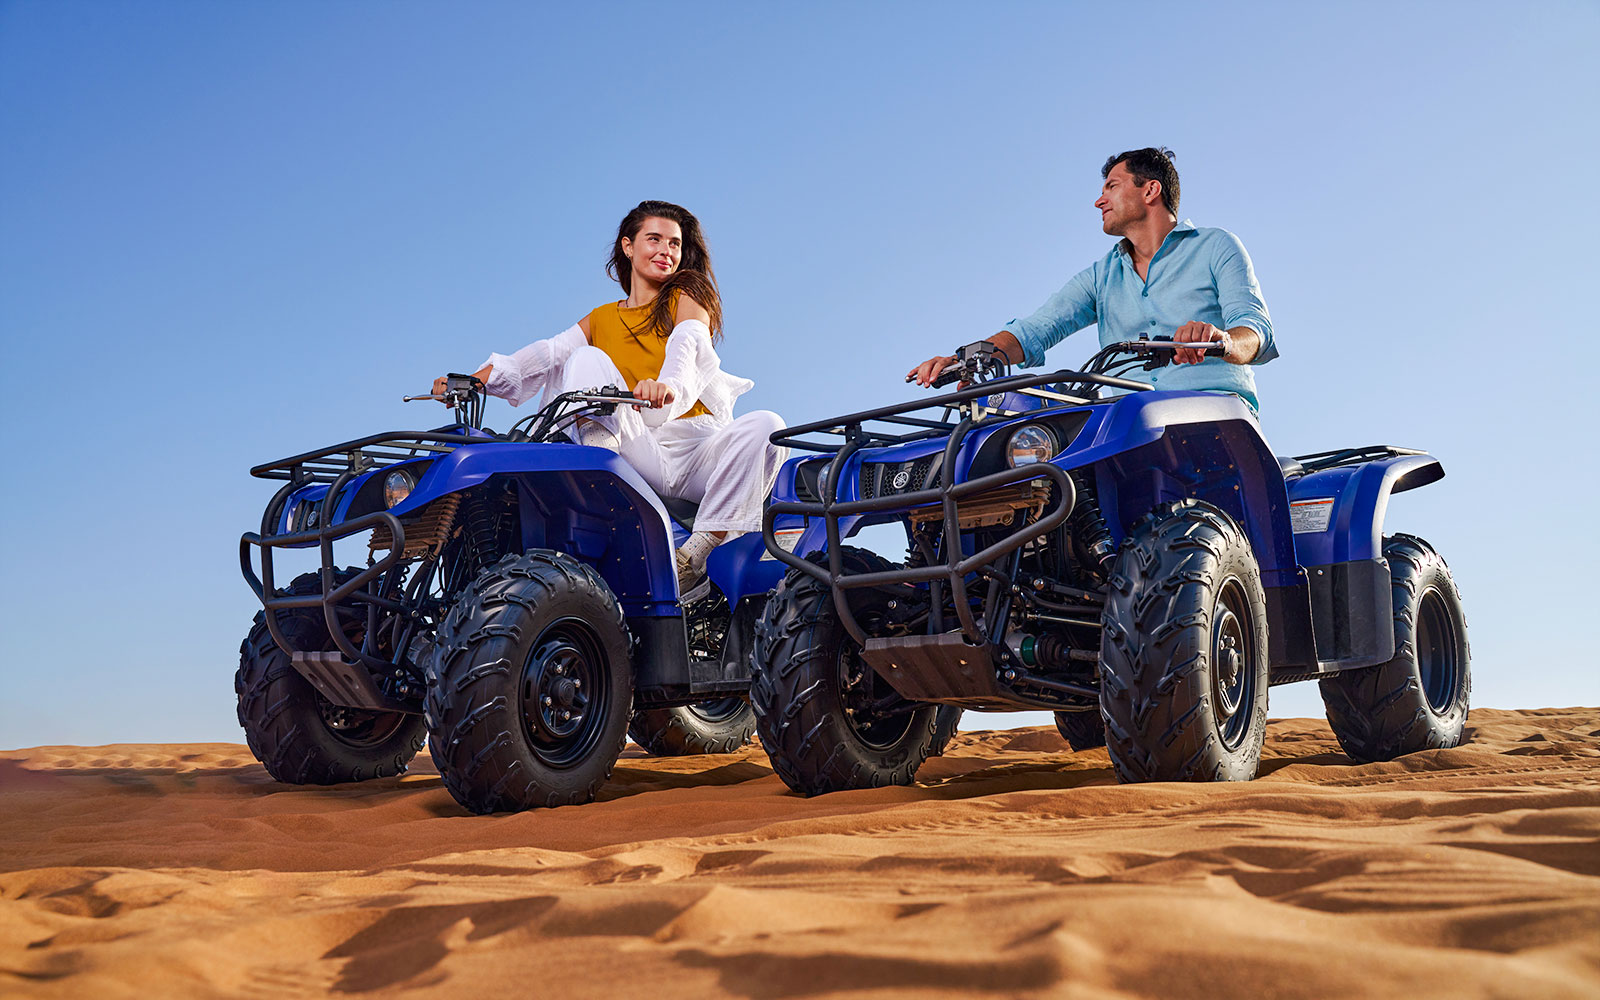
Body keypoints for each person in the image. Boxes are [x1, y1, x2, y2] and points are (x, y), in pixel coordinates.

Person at [432, 200, 786, 600]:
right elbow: (547, 355)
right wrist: (475, 381)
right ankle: (603, 484)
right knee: (585, 359)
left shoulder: (686, 295)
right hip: (638, 444)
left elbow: (687, 344)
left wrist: (667, 386)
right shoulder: (602, 318)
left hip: (697, 448)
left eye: (674, 243)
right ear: (628, 247)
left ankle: (694, 558)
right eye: (654, 239)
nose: (666, 251)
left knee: (768, 427)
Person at [908, 147, 1277, 412]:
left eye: (1111, 187)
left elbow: (1256, 333)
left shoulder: (1215, 246)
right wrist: (966, 358)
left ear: (1150, 190)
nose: (1099, 201)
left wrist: (1222, 340)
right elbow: (1037, 328)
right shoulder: (1102, 276)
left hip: (1216, 413)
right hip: (1132, 426)